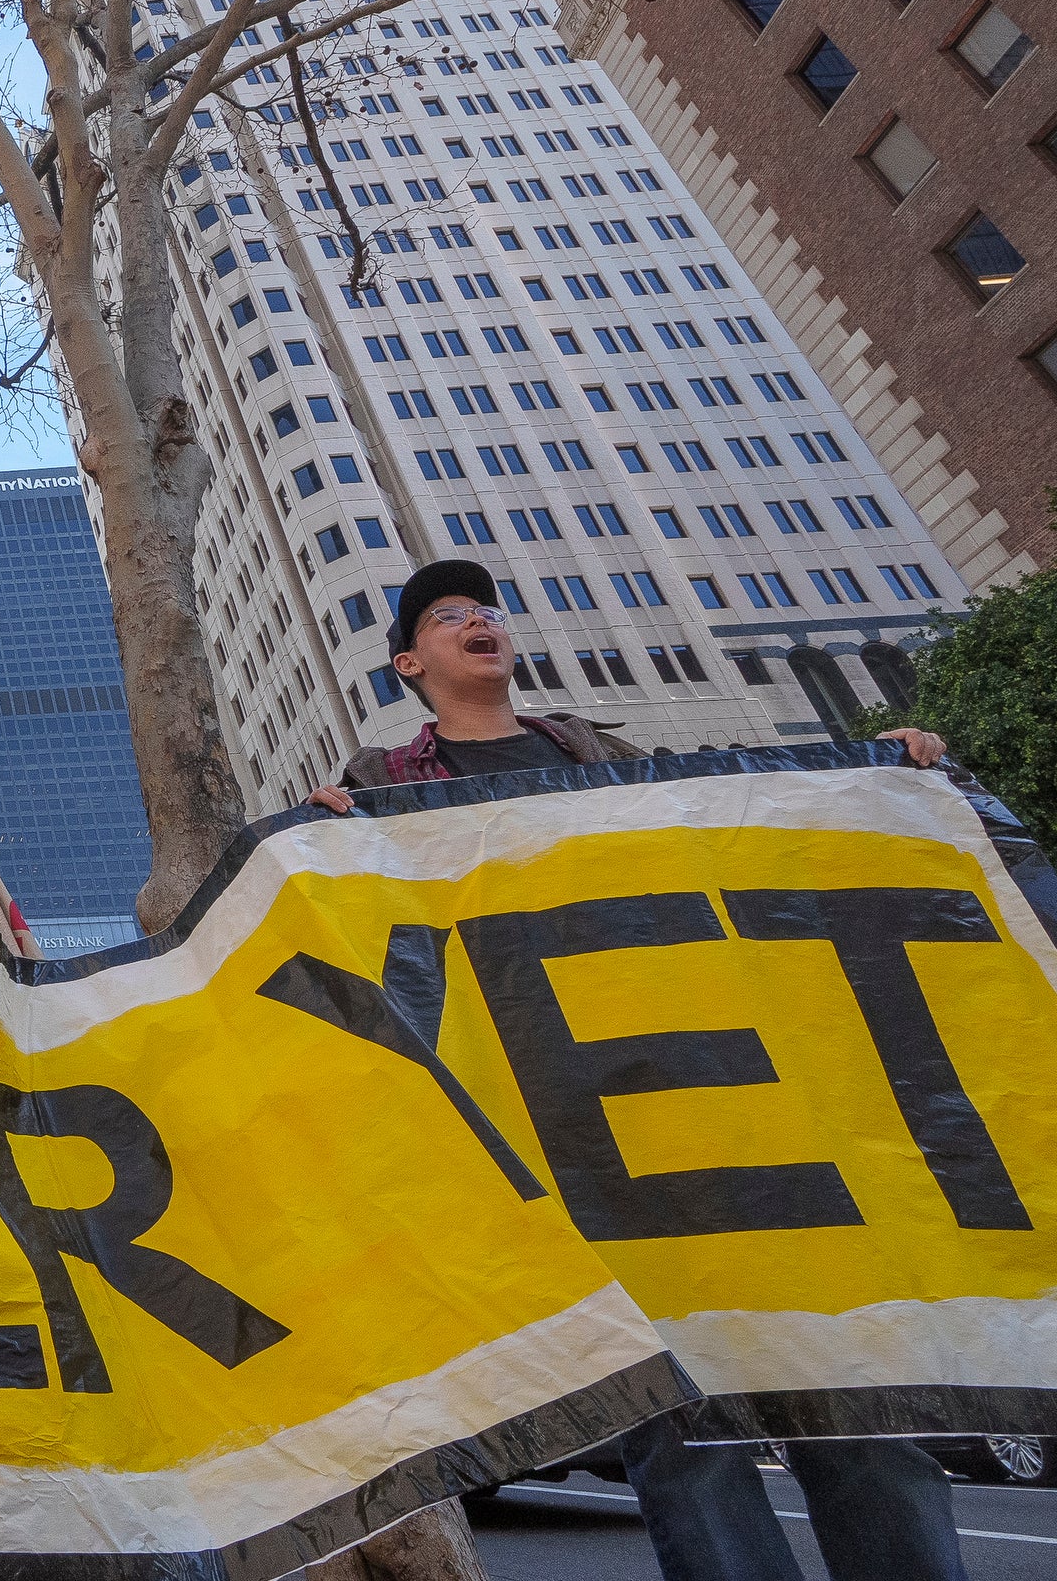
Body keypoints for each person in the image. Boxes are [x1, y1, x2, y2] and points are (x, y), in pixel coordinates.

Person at [309, 560, 965, 1581]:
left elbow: (732, 811)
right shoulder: (384, 786)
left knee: (854, 1393)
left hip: (727, 1099)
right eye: (451, 615)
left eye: (489, 608)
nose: (482, 619)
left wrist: (868, 770)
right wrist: (321, 836)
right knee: (679, 1431)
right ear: (411, 661)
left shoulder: (598, 751)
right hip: (572, 1134)